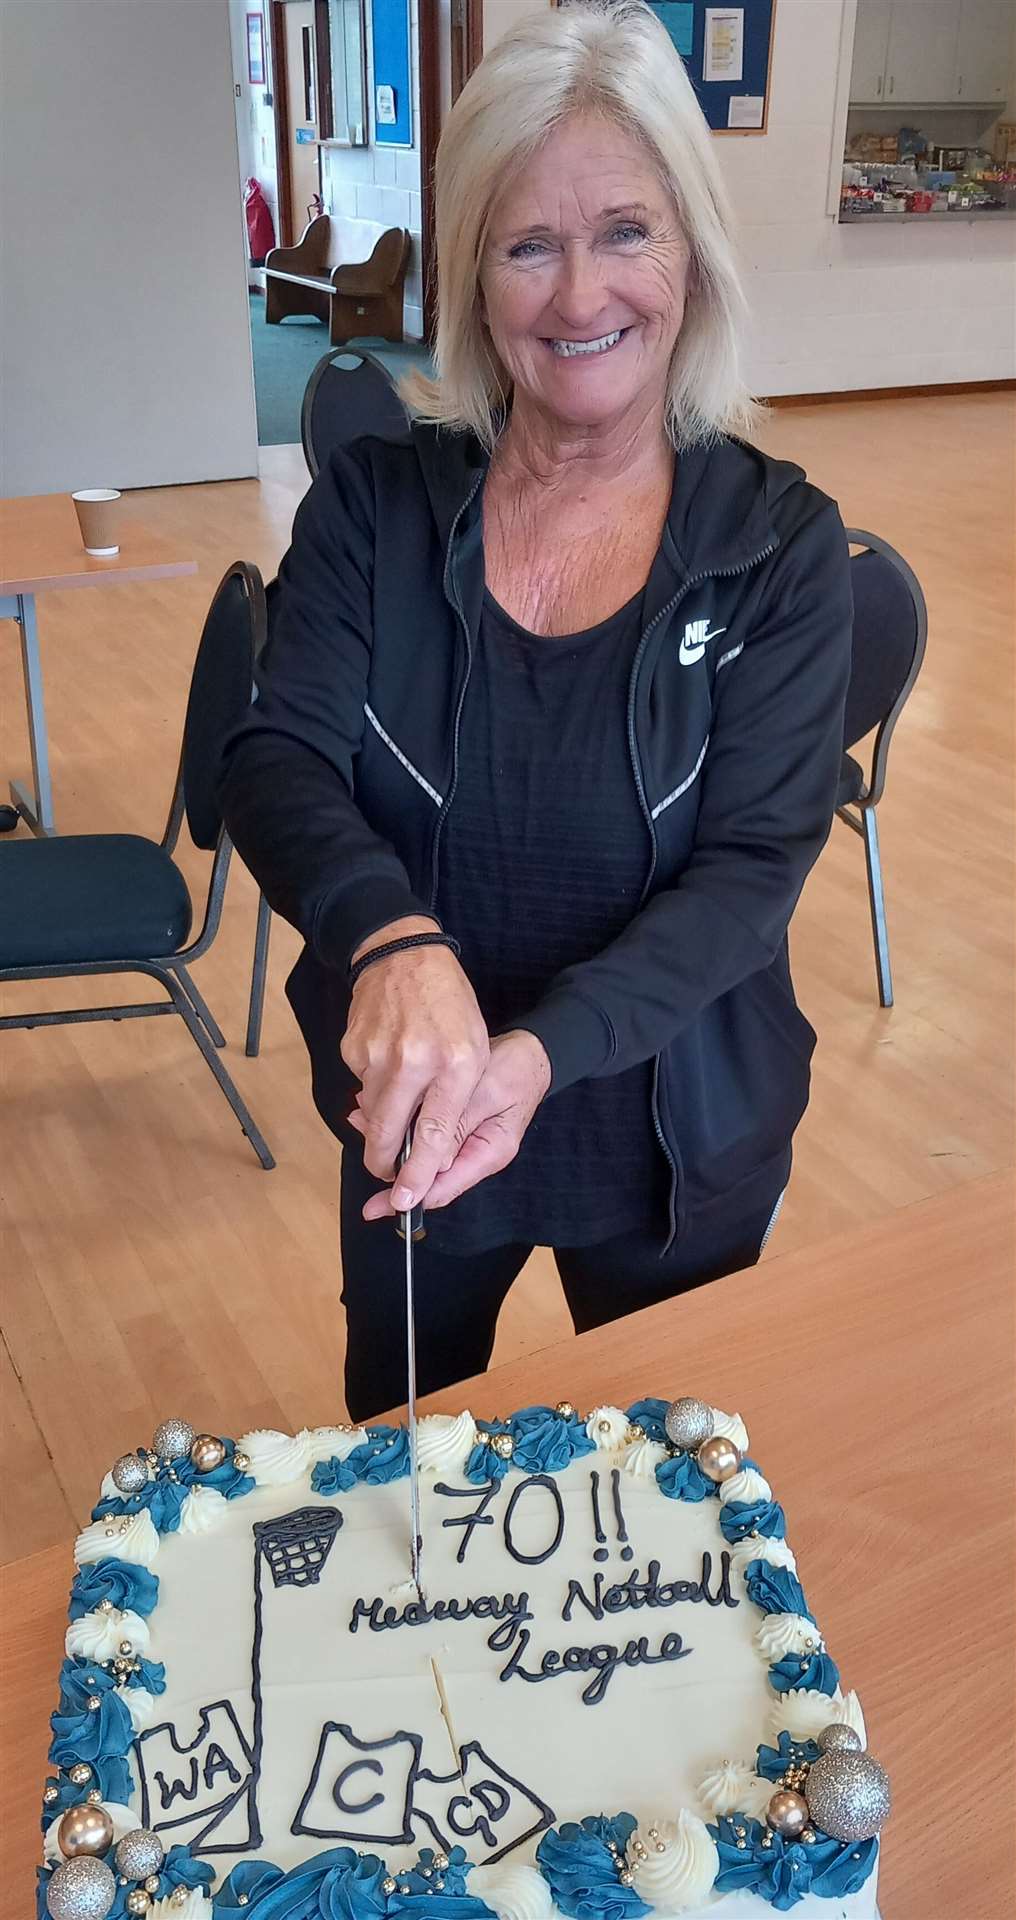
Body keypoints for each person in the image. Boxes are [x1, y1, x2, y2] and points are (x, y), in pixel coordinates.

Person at [220, 0, 853, 1422]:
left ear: (693, 250)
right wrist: (390, 941)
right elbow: (277, 759)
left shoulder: (780, 545)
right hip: (418, 1132)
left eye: (627, 230)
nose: (580, 298)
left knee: (660, 1514)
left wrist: (540, 1053)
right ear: (472, 276)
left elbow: (753, 875)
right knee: (410, 1484)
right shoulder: (378, 505)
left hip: (674, 1133)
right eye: (529, 245)